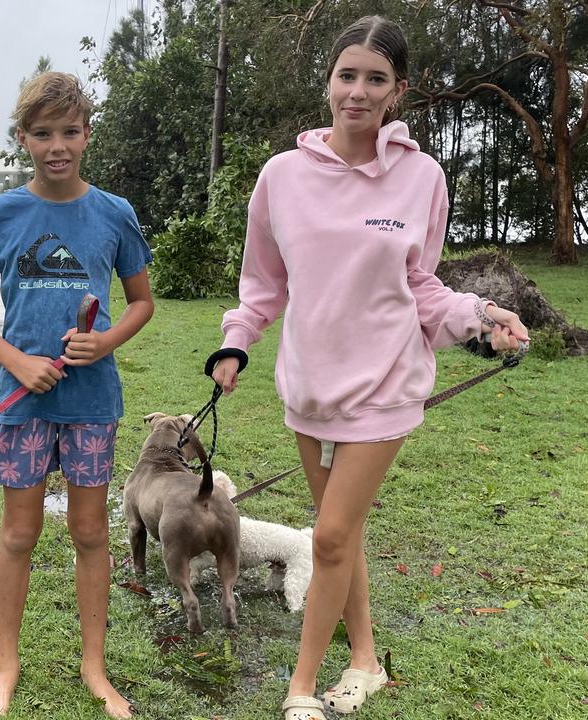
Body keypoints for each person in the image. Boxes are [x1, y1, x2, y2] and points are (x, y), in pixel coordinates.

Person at [207, 16, 530, 720]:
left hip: (385, 382)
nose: (357, 92)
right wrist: (237, 343)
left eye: (375, 80)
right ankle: (365, 661)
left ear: (398, 92)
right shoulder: (282, 176)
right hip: (309, 386)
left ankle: (300, 690)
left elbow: (424, 286)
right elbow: (263, 285)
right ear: (329, 81)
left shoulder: (421, 177)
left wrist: (481, 316)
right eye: (346, 75)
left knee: (327, 536)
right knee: (339, 533)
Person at [0, 70, 154, 719]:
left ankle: (94, 667)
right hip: (25, 403)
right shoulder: (1, 214)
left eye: (70, 131)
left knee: (92, 533)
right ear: (24, 139)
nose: (57, 145)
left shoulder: (114, 213)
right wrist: (17, 360)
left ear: (87, 134)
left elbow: (143, 302)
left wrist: (106, 342)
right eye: (43, 133)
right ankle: (5, 666)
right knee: (19, 535)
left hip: (93, 402)